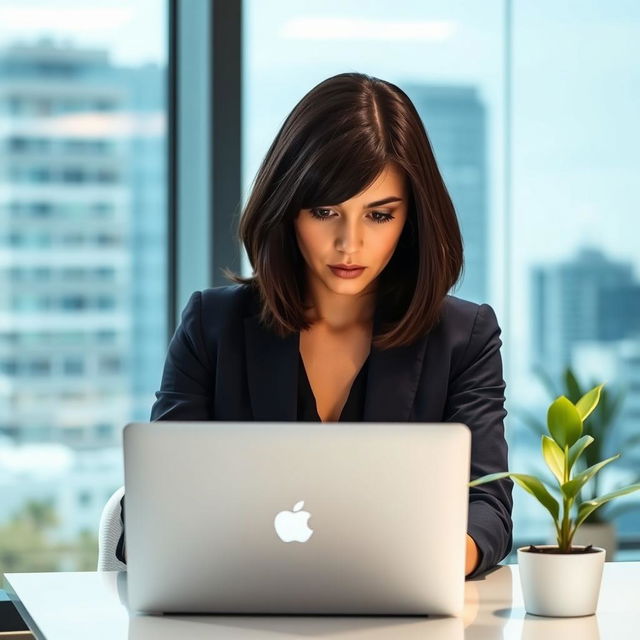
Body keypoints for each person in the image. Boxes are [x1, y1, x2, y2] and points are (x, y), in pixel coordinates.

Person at [116, 72, 513, 579]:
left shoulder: (465, 337)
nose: (349, 244)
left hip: (400, 618)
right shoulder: (210, 326)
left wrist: (428, 564)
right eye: (325, 211)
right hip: (237, 613)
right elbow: (151, 512)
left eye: (379, 216)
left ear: (412, 219)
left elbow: (489, 508)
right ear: (286, 209)